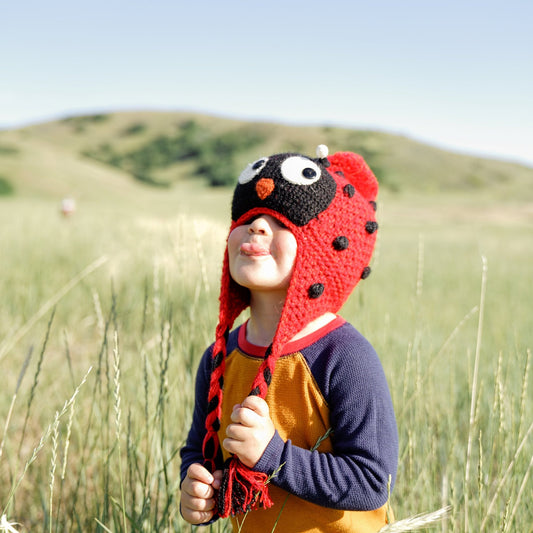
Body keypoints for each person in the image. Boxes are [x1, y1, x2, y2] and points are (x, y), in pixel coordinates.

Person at [180, 145, 398, 533]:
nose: (258, 226)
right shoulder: (220, 358)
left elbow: (371, 482)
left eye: (283, 222)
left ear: (325, 248)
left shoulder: (344, 357)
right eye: (248, 217)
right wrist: (197, 489)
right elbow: (200, 448)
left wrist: (272, 456)